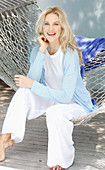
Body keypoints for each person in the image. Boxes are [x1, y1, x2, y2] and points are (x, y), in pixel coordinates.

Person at [0, 6, 97, 170]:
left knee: (55, 112)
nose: (50, 29)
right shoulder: (37, 51)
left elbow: (66, 97)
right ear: (41, 27)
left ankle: (62, 158)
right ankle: (4, 141)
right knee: (23, 92)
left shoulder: (70, 54)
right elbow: (31, 81)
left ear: (62, 28)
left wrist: (32, 85)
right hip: (52, 99)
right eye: (47, 24)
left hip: (76, 104)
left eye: (56, 24)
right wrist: (42, 51)